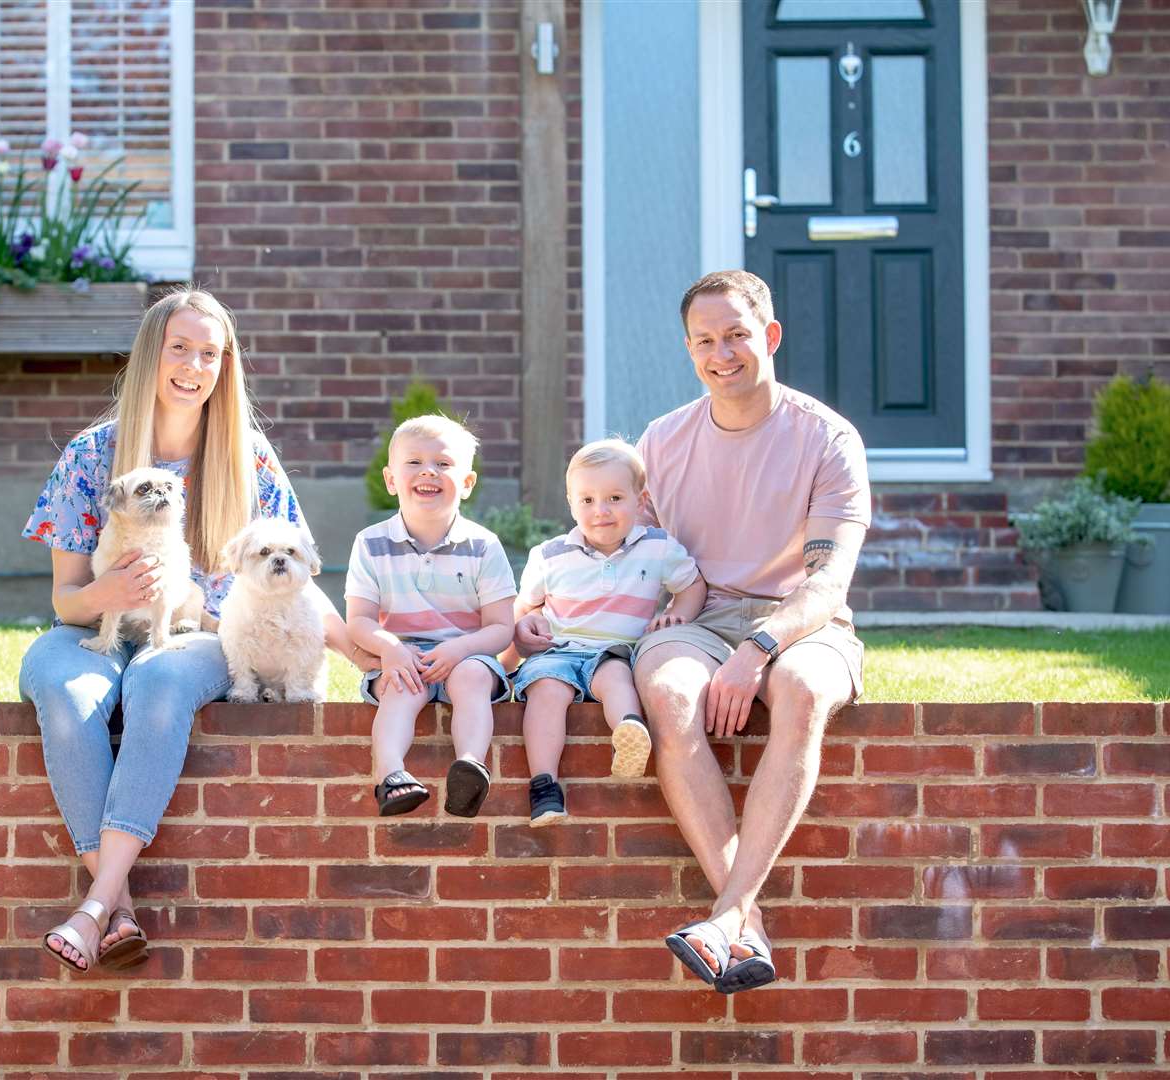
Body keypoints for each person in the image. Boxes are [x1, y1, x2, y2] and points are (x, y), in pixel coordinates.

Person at [19, 287, 358, 974]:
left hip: (199, 633)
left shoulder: (246, 457)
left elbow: (294, 572)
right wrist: (104, 592)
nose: (194, 365)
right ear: (152, 354)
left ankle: (97, 907)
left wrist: (361, 644)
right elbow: (66, 598)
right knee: (62, 690)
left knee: (162, 681)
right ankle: (115, 911)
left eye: (210, 353)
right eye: (180, 348)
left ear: (224, 366)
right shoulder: (93, 455)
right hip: (99, 626)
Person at [632, 270, 870, 994]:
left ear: (769, 336)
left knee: (799, 691)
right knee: (671, 698)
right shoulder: (662, 440)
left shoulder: (826, 437)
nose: (722, 352)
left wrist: (761, 647)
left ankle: (730, 913)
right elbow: (635, 566)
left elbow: (829, 582)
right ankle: (744, 923)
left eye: (736, 334)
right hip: (696, 619)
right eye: (704, 340)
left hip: (802, 621)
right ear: (689, 350)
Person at [507, 439, 706, 825]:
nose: (600, 511)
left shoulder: (657, 547)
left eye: (614, 498)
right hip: (557, 652)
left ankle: (630, 731)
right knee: (547, 692)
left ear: (640, 499)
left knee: (616, 677)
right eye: (587, 500)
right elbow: (525, 607)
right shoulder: (550, 555)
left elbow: (692, 585)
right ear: (571, 504)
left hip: (614, 651)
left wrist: (676, 617)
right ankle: (544, 786)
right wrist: (521, 634)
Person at [345, 414, 516, 817]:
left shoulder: (483, 546)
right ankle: (391, 777)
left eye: (443, 464)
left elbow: (501, 626)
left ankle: (471, 766)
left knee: (473, 677)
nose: (429, 472)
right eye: (414, 462)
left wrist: (461, 649)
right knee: (399, 688)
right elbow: (359, 620)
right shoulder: (370, 543)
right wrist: (390, 649)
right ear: (391, 480)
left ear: (468, 483)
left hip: (466, 652)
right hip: (405, 655)